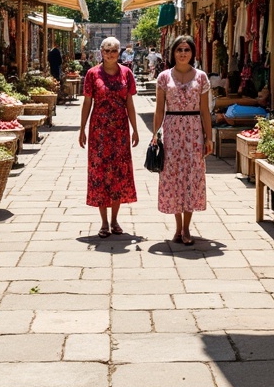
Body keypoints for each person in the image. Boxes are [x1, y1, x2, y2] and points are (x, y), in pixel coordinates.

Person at [151, 35, 213, 246]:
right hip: (172, 131)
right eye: (179, 50)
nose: (183, 53)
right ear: (173, 53)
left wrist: (209, 137)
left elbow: (205, 110)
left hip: (194, 131)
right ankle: (178, 226)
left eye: (187, 49)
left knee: (192, 177)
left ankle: (187, 227)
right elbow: (159, 110)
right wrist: (154, 135)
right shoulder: (163, 77)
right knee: (174, 177)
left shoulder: (202, 77)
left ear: (193, 53)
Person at [79, 35, 139, 238]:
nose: (111, 54)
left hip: (120, 132)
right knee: (100, 174)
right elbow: (87, 103)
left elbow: (129, 103)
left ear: (119, 52)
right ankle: (104, 222)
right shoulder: (92, 74)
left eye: (114, 50)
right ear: (101, 52)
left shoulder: (127, 74)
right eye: (107, 50)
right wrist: (82, 129)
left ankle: (115, 220)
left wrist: (135, 129)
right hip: (99, 132)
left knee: (119, 175)